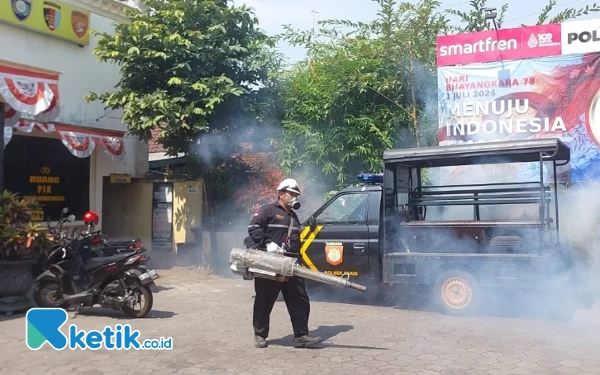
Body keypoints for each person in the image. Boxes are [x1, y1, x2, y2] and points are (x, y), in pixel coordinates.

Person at [246, 178, 322, 349]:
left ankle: (301, 336)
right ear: (280, 193)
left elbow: (296, 241)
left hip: (291, 266)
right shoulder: (268, 210)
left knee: (300, 300)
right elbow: (253, 228)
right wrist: (267, 243)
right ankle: (260, 335)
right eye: (290, 193)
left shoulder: (294, 217)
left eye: (295, 194)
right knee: (264, 301)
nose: (293, 197)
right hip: (271, 265)